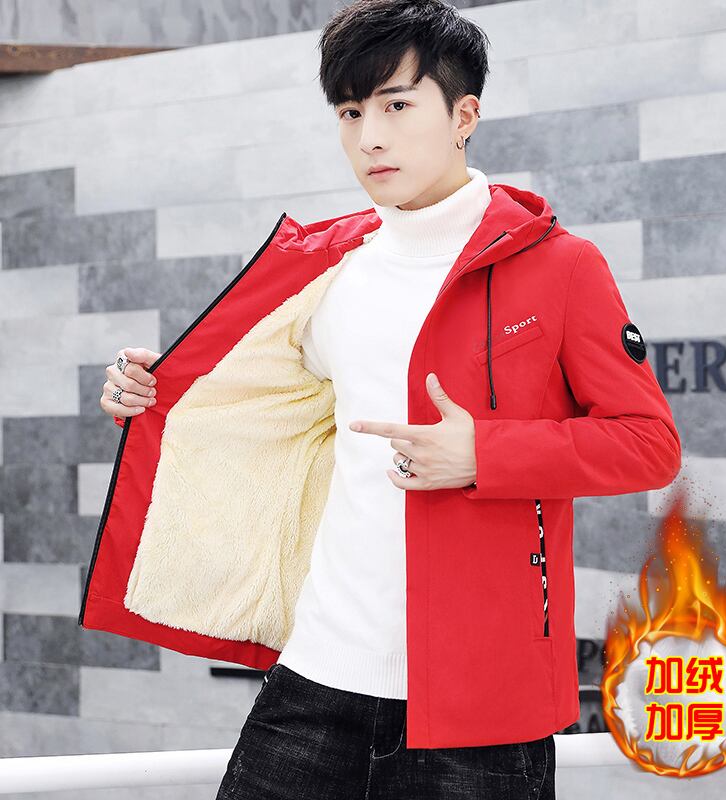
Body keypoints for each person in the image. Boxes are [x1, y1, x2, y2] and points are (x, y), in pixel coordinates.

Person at [95, 0, 682, 797]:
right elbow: (243, 401)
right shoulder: (324, 268)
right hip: (315, 679)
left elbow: (648, 443)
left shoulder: (561, 266)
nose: (370, 136)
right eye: (350, 112)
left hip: (482, 703)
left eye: (397, 105)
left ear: (464, 115)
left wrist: (484, 454)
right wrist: (148, 388)